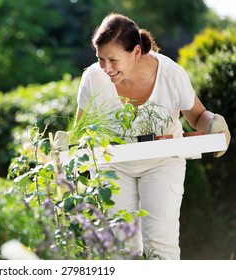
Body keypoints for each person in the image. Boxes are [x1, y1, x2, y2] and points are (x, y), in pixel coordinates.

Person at [74, 13, 231, 259]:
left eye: (113, 60)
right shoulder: (93, 78)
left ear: (136, 52)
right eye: (100, 59)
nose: (106, 68)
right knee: (119, 245)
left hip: (162, 163)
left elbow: (197, 116)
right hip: (113, 165)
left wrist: (213, 125)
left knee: (160, 244)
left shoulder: (171, 74)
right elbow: (81, 130)